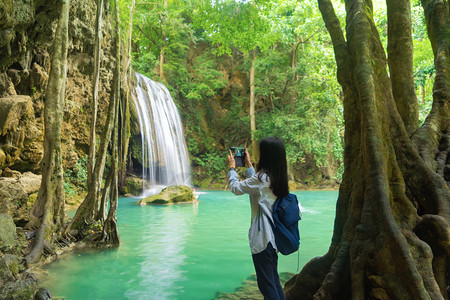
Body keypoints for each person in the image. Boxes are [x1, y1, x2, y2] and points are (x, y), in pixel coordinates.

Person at [227, 137, 288, 300]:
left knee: (267, 287)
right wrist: (249, 166)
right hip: (274, 239)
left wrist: (232, 169)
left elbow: (236, 188)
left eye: (260, 151)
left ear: (266, 155)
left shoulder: (261, 178)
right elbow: (258, 187)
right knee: (274, 282)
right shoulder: (277, 177)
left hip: (263, 240)